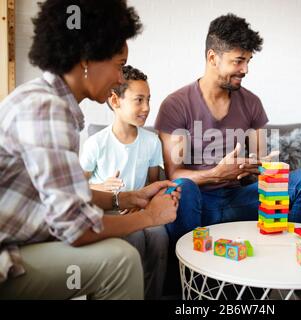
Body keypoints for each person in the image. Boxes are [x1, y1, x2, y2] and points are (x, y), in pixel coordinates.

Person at [0, 0, 179, 300]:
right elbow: (75, 228)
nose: (119, 79)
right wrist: (149, 217)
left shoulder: (44, 100)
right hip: (7, 255)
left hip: (19, 239)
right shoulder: (46, 108)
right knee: (121, 261)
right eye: (119, 66)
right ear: (86, 58)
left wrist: (128, 197)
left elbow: (63, 194)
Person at [155, 13, 301, 244]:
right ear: (213, 57)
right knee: (182, 187)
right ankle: (185, 275)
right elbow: (175, 175)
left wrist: (256, 167)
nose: (245, 69)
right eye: (238, 61)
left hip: (239, 199)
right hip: (198, 203)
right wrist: (216, 174)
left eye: (248, 61)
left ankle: (290, 258)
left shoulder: (252, 102)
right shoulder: (176, 105)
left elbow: (260, 163)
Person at [80, 65, 167, 299]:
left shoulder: (152, 142)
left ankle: (153, 295)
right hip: (109, 211)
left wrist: (142, 205)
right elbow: (77, 191)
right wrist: (100, 187)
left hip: (138, 207)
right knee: (135, 236)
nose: (147, 107)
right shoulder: (96, 144)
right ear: (115, 101)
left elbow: (152, 184)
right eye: (139, 100)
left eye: (148, 99)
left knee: (159, 234)